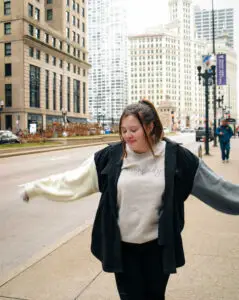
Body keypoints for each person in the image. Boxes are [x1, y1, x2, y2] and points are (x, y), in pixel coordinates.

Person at [22, 100, 239, 300]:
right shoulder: (109, 157)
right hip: (123, 250)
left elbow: (217, 188)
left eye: (133, 130)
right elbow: (71, 181)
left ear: (151, 127)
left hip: (158, 248)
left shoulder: (177, 158)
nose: (127, 136)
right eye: (123, 130)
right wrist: (36, 188)